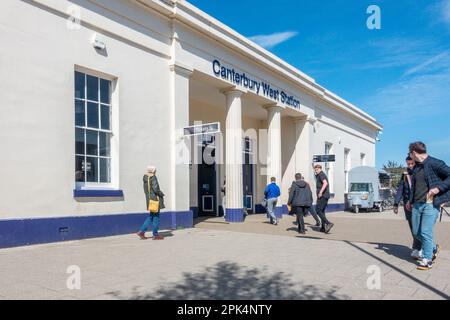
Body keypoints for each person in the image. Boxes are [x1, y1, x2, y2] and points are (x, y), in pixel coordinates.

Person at [408, 142, 449, 270]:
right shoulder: (416, 167)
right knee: (416, 232)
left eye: (410, 153)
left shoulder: (435, 163)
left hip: (430, 204)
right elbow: (414, 187)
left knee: (425, 232)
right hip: (416, 204)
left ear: (414, 152)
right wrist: (410, 201)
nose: (410, 156)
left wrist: (438, 188)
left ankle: (427, 259)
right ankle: (433, 248)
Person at [393, 156, 422, 259]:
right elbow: (400, 189)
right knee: (413, 228)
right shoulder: (405, 175)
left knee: (419, 227)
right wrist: (396, 203)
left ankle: (421, 248)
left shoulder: (420, 173)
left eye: (411, 164)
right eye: (408, 164)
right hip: (407, 206)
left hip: (418, 204)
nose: (409, 166)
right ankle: (417, 248)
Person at [137, 166, 165, 240]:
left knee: (151, 216)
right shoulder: (153, 177)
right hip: (154, 199)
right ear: (153, 171)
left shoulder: (145, 178)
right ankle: (155, 235)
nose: (156, 171)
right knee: (156, 217)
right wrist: (161, 194)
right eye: (155, 170)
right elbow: (156, 189)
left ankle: (141, 231)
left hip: (149, 199)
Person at [314, 164, 334, 233]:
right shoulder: (320, 175)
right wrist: (316, 174)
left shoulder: (321, 174)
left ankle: (328, 223)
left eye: (317, 169)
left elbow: (325, 183)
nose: (316, 171)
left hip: (322, 196)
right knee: (322, 211)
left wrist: (320, 192)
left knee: (318, 210)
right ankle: (323, 227)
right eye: (315, 170)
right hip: (325, 196)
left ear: (320, 169)